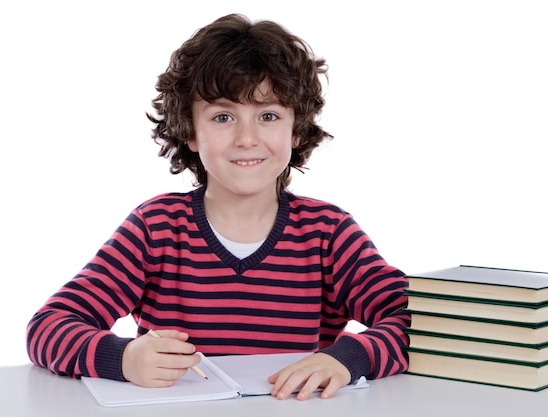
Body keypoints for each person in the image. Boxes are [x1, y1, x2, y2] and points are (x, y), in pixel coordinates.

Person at [26, 13, 410, 401]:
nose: (247, 138)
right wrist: (123, 357)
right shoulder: (156, 227)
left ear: (295, 130)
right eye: (223, 117)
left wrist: (345, 359)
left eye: (269, 116)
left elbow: (423, 324)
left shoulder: (328, 233)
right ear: (190, 131)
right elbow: (48, 327)